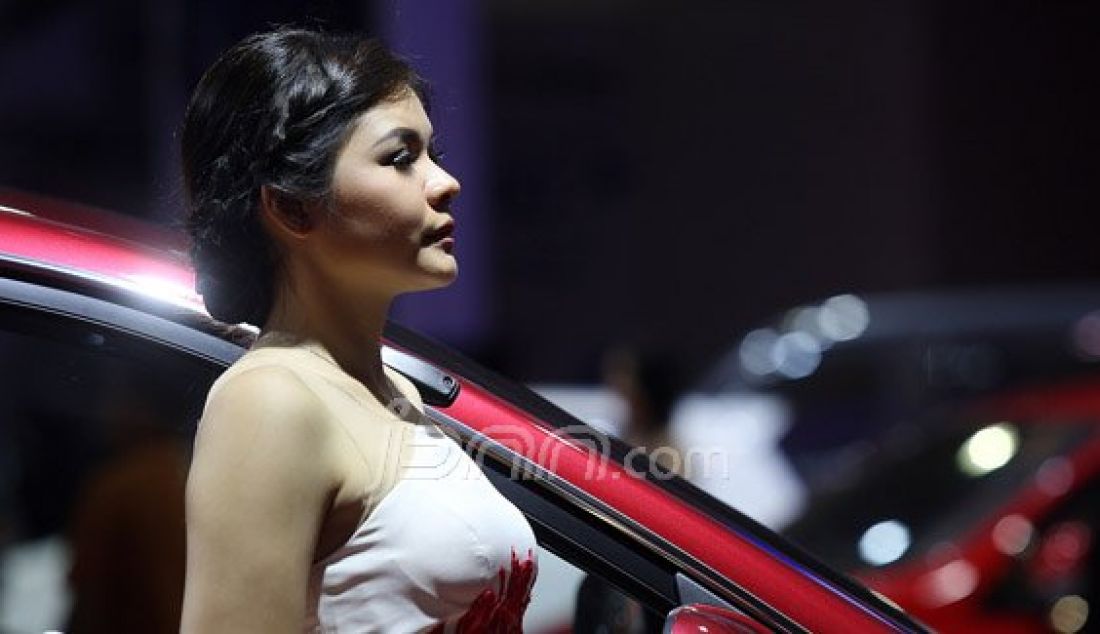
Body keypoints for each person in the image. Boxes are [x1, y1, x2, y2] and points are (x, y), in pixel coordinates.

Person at [179, 29, 537, 633]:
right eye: (400, 159)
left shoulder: (392, 390)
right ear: (291, 208)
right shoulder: (271, 401)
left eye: (433, 153)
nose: (445, 183)